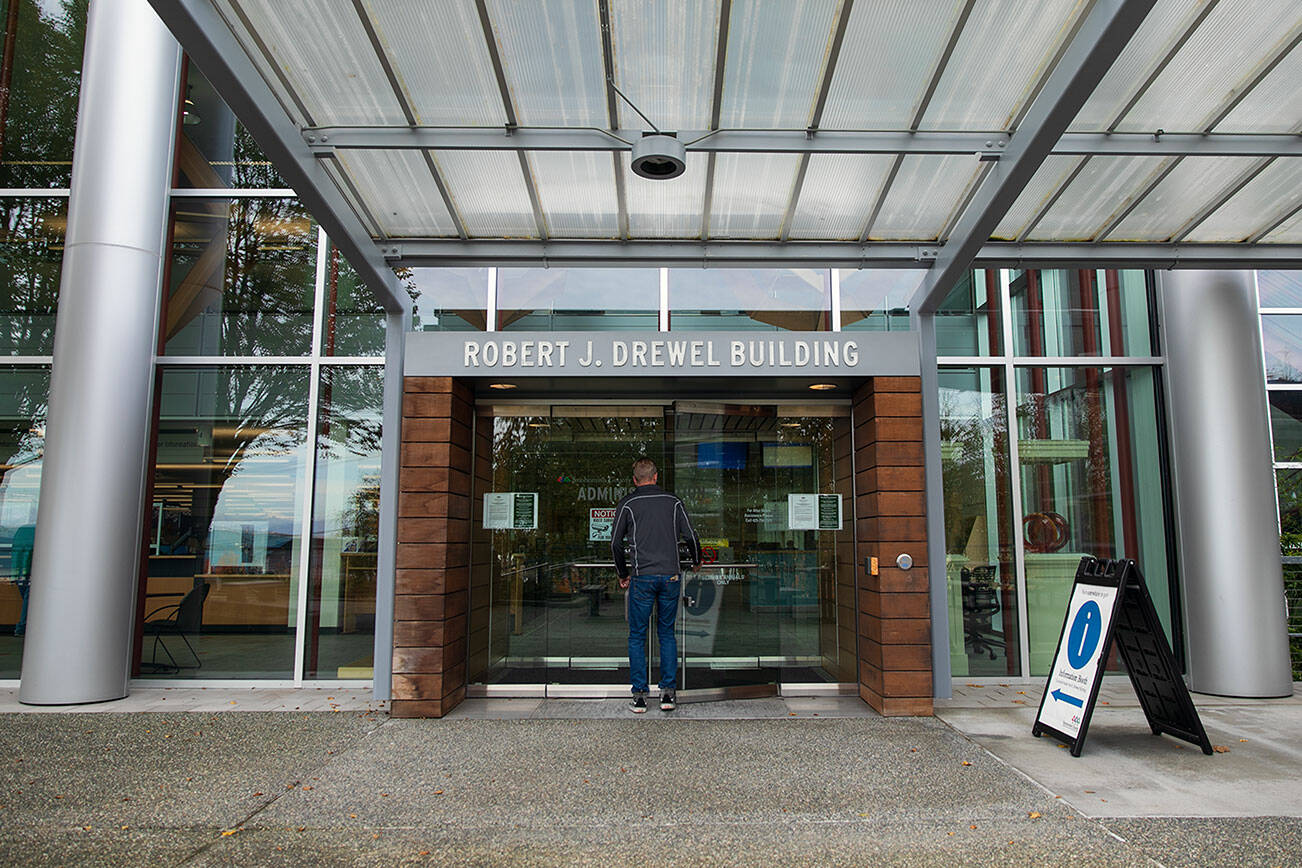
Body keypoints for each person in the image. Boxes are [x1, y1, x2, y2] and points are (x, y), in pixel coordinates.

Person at [611, 457, 701, 714]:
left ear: (635, 480)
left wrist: (622, 573)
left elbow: (615, 543)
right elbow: (691, 536)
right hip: (671, 576)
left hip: (642, 577)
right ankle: (668, 694)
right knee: (666, 633)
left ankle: (639, 696)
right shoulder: (673, 502)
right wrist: (696, 561)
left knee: (638, 635)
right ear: (656, 476)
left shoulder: (628, 503)